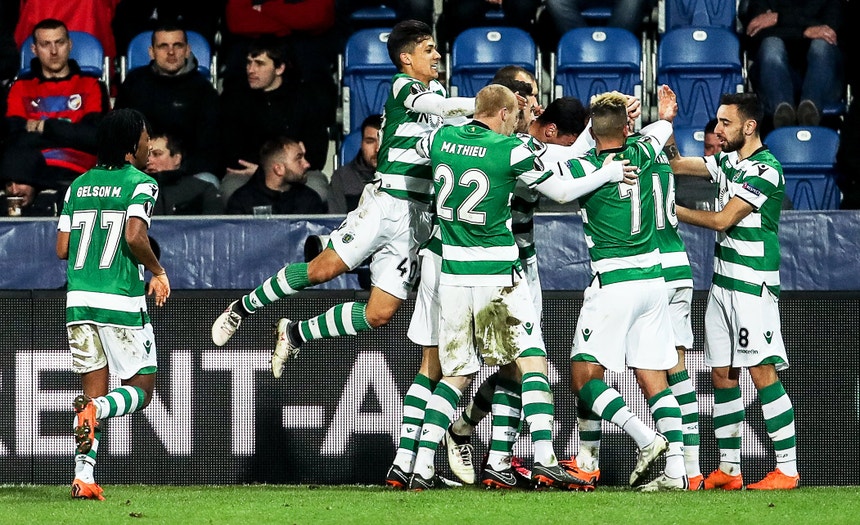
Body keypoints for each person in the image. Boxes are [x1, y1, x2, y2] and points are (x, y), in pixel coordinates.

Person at [210, 20, 475, 376]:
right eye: (429, 49)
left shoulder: (439, 93)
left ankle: (295, 333)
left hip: (418, 216)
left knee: (379, 314)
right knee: (322, 270)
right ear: (406, 58)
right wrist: (488, 103)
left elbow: (456, 129)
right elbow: (444, 110)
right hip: (386, 204)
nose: (438, 55)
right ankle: (242, 308)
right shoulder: (403, 85)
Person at [405, 83, 635, 491]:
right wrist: (610, 171)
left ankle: (419, 466)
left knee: (457, 375)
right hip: (497, 276)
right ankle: (545, 457)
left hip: (453, 274)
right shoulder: (511, 150)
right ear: (504, 113)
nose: (518, 122)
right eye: (516, 115)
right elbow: (561, 191)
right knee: (532, 362)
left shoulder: (441, 139)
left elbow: (415, 149)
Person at [666, 92, 799, 490]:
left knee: (762, 372)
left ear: (749, 126)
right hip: (722, 284)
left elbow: (723, 220)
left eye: (726, 123)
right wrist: (665, 123)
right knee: (723, 375)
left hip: (752, 286)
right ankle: (729, 468)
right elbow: (676, 163)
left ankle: (788, 469)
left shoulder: (766, 170)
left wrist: (670, 211)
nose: (718, 130)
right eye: (718, 122)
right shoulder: (726, 161)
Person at [565, 89, 688, 492]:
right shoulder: (646, 151)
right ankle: (677, 472)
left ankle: (645, 438)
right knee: (654, 379)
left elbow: (558, 176)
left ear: (593, 130)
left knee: (583, 378)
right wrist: (665, 114)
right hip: (653, 281)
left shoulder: (583, 168)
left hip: (614, 284)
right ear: (626, 128)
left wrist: (598, 120)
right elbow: (660, 128)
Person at [56, 107, 170, 501]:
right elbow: (135, 236)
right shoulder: (142, 184)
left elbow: (62, 248)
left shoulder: (77, 185)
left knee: (93, 391)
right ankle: (98, 412)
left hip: (78, 300)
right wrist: (158, 271)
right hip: (119, 299)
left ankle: (83, 477)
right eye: (145, 137)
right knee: (141, 391)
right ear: (130, 145)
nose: (149, 144)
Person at [1, 19, 110, 214]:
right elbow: (13, 137)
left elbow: (94, 137)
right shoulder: (20, 87)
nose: (53, 51)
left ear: (70, 45)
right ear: (34, 49)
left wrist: (43, 127)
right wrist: (69, 131)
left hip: (77, 173)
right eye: (45, 44)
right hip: (29, 173)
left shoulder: (91, 85)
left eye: (59, 43)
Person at [219, 35, 330, 203]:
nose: (251, 70)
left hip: (296, 172)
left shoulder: (305, 98)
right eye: (249, 63)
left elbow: (317, 153)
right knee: (230, 191)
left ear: (279, 68)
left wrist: (282, 170)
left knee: (318, 190)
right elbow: (229, 148)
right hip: (248, 173)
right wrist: (264, 170)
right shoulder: (235, 98)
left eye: (259, 64)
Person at [114, 22, 221, 178]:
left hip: (187, 174)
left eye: (178, 45)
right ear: (152, 52)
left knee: (208, 180)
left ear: (187, 50)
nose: (171, 52)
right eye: (163, 46)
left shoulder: (203, 90)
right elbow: (117, 133)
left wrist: (176, 170)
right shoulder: (134, 83)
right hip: (137, 171)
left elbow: (211, 148)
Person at [743, 0, 843, 129]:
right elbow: (754, 34)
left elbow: (830, 31)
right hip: (774, 82)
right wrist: (805, 30)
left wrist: (778, 19)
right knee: (771, 45)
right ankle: (783, 115)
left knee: (821, 45)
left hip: (822, 81)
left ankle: (809, 112)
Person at [226, 136, 325, 215]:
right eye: (298, 159)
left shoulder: (310, 200)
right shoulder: (242, 202)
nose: (307, 164)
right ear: (278, 169)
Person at [145, 133, 224, 215]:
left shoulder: (202, 190)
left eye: (157, 154)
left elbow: (214, 222)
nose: (148, 161)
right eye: (145, 155)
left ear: (177, 159)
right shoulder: (136, 189)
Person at [328, 114, 381, 214]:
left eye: (383, 142)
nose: (377, 149)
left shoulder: (405, 177)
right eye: (370, 141)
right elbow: (336, 220)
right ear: (361, 144)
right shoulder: (342, 177)